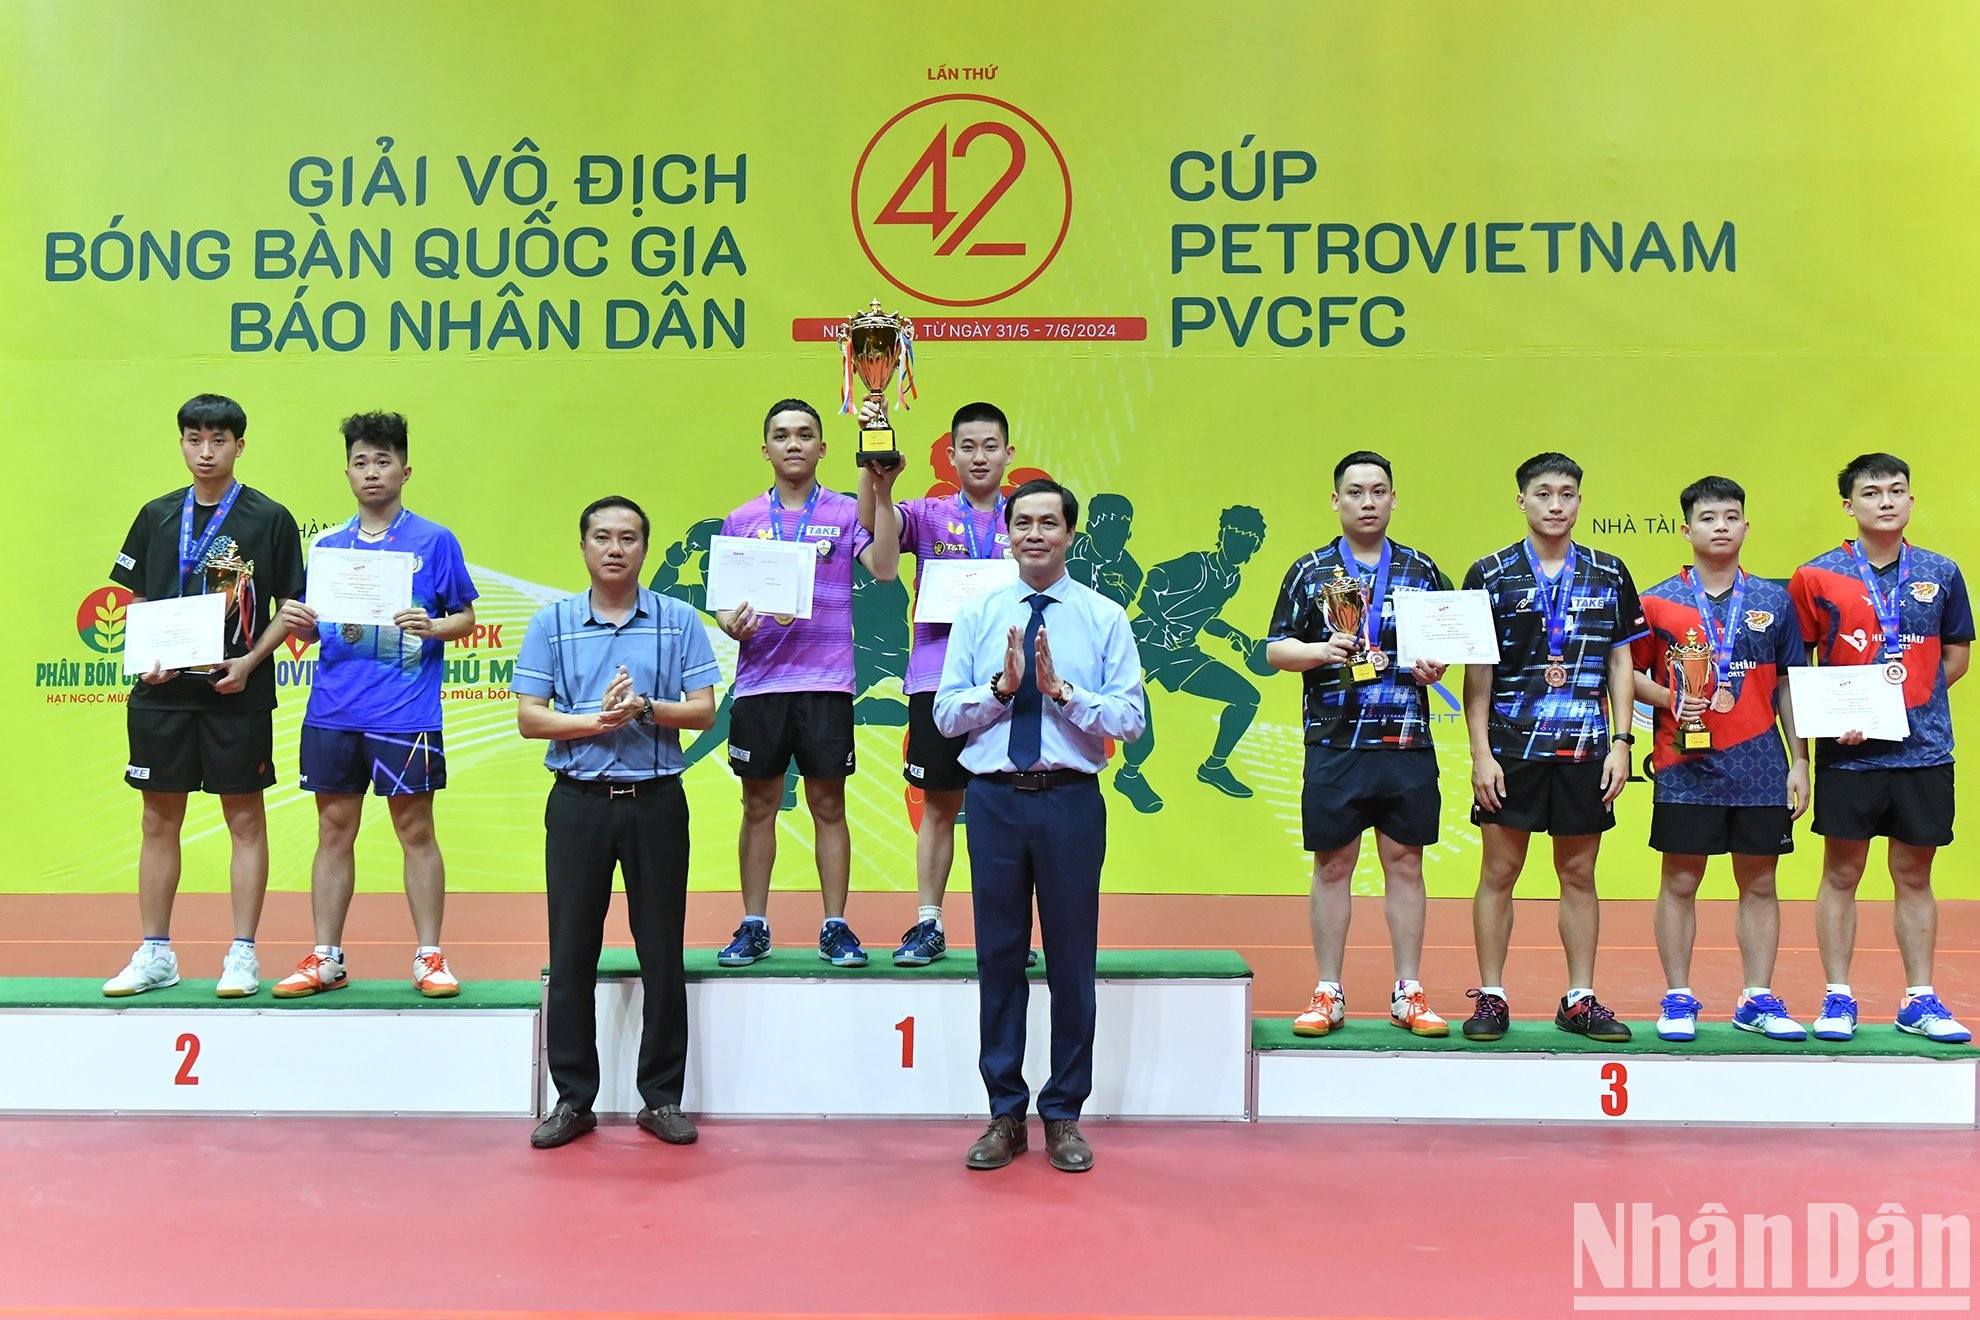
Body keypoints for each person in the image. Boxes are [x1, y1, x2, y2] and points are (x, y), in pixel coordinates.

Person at [934, 479, 1146, 1174]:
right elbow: (945, 716)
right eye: (1022, 522)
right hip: (994, 801)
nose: (1033, 534)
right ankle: (1004, 1113)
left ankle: (1062, 1114)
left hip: (1069, 803)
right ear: (1008, 531)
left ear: (1069, 535)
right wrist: (1001, 691)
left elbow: (1131, 721)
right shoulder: (978, 616)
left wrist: (1063, 693)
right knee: (998, 959)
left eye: (1048, 523)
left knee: (1071, 961)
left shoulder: (1104, 616)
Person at [512, 497, 720, 1149]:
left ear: (644, 549)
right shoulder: (552, 623)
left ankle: (660, 1099)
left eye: (628, 538)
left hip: (656, 800)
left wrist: (645, 709)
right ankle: (574, 1099)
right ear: (582, 547)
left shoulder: (678, 621)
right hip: (577, 802)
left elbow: (704, 711)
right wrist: (597, 721)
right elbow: (531, 718)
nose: (614, 548)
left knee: (662, 952)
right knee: (571, 954)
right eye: (602, 536)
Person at [271, 412, 479, 999]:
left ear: (405, 470)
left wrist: (435, 626)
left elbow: (466, 616)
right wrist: (301, 626)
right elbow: (315, 632)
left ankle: (430, 956)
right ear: (347, 473)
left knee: (416, 830)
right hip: (333, 712)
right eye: (361, 462)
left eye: (383, 461)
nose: (371, 472)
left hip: (405, 712)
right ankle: (326, 957)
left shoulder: (434, 541)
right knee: (333, 832)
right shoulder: (329, 547)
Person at [103, 394, 304, 999]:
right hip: (161, 695)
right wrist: (145, 660)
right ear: (182, 442)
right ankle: (155, 951)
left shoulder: (269, 518)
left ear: (240, 445)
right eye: (194, 439)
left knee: (244, 819)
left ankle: (242, 954)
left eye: (218, 440)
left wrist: (249, 661)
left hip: (235, 691)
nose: (206, 452)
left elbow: (289, 609)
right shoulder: (157, 515)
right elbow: (136, 600)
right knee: (158, 821)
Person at [1265, 452, 1453, 1039]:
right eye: (1355, 492)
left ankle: (1408, 990)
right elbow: (1274, 651)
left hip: (1406, 741)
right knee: (1333, 865)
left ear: (1395, 498)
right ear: (1336, 501)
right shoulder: (1310, 570)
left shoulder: (1423, 571)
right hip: (1335, 741)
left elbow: (1445, 647)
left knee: (1406, 863)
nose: (1367, 502)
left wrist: (1435, 668)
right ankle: (1328, 991)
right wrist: (1322, 650)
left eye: (1378, 491)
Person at [1461, 452, 1644, 1043]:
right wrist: (1480, 753)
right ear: (1522, 501)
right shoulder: (1488, 574)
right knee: (1500, 869)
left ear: (1580, 501)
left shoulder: (1609, 571)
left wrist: (1621, 741)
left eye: (1567, 493)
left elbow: (1621, 659)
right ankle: (1491, 996)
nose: (1556, 504)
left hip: (1586, 749)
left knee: (1579, 873)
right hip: (1512, 749)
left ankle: (1580, 997)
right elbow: (1478, 674)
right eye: (1544, 494)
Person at [1788, 453, 1972, 1043]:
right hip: (1850, 755)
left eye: (1897, 490)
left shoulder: (1941, 572)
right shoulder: (1815, 576)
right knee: (1842, 872)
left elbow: (1956, 657)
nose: (1886, 501)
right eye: (1871, 492)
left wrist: (1897, 701)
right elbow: (1798, 665)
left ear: (1912, 500)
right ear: (1850, 505)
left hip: (1924, 752)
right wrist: (1839, 715)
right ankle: (1838, 996)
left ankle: (1919, 997)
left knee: (1914, 874)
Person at [713, 399, 901, 968]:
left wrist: (883, 492)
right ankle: (753, 925)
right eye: (781, 435)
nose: (793, 443)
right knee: (758, 804)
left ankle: (835, 926)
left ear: (823, 448)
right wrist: (732, 624)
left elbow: (887, 568)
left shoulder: (846, 513)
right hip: (761, 683)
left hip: (826, 683)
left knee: (828, 802)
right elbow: (724, 609)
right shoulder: (742, 520)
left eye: (805, 435)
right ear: (764, 449)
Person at [1632, 477, 1810, 1042]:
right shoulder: (1657, 600)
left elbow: (1787, 686)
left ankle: (1757, 997)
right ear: (1686, 530)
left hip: (1760, 766)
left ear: (1746, 526)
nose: (1721, 527)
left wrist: (1799, 762)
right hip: (1685, 766)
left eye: (1731, 516)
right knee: (1680, 879)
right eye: (1708, 518)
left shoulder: (1774, 601)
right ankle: (1678, 995)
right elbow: (1628, 673)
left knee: (1760, 882)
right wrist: (1669, 697)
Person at [860, 400, 1016, 965]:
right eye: (967, 447)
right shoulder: (924, 514)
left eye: (989, 446)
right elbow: (880, 565)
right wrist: (881, 488)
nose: (979, 457)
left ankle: (1006, 929)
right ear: (950, 455)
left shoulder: (1023, 517)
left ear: (1008, 454)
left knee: (1002, 809)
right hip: (937, 680)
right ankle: (928, 924)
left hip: (1009, 683)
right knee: (941, 807)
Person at [1115, 506, 1273, 811]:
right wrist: (1164, 624)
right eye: (1237, 535)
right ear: (1223, 535)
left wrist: (1232, 635)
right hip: (1140, 646)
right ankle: (1129, 776)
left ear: (1255, 547)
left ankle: (1213, 767)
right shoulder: (1197, 566)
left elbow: (1203, 618)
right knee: (1143, 738)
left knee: (1248, 698)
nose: (1241, 543)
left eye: (1249, 540)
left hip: (1180, 654)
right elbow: (1152, 585)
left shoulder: (1232, 580)